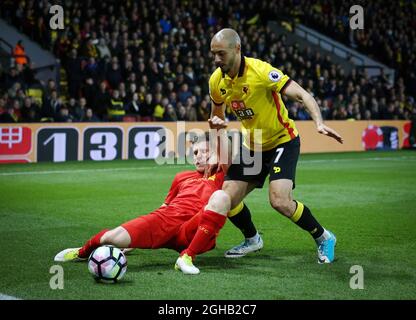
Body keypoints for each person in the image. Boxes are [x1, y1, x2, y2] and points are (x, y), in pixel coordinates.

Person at [207, 28, 344, 264]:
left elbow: (302, 94)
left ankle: (324, 237)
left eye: (221, 53)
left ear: (237, 49)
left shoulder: (261, 71)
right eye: (213, 54)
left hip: (283, 140)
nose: (216, 59)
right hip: (252, 146)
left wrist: (318, 122)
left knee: (279, 200)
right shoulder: (216, 81)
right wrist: (216, 150)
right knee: (224, 198)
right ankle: (252, 239)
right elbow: (216, 119)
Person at [54, 127, 231, 274]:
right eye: (195, 152)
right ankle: (81, 252)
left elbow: (228, 155)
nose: (199, 156)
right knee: (112, 237)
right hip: (165, 221)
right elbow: (164, 207)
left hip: (192, 229)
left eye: (205, 151)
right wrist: (139, 237)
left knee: (222, 197)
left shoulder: (222, 175)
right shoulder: (181, 177)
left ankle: (186, 257)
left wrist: (219, 130)